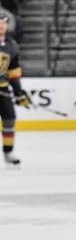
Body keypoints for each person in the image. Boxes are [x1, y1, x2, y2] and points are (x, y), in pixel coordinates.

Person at [0, 12, 30, 167]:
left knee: (9, 119)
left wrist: (18, 92)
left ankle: (8, 152)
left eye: (3, 22)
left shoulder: (11, 45)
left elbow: (14, 71)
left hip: (3, 90)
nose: (1, 25)